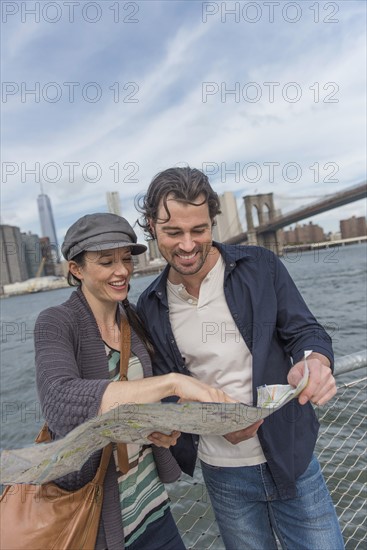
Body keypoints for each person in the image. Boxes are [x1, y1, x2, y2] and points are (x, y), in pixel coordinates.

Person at [136, 167, 345, 550]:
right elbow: (167, 390)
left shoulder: (262, 266)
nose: (187, 245)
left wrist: (314, 361)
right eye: (173, 232)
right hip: (223, 475)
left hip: (292, 457)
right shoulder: (149, 305)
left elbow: (307, 333)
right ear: (151, 227)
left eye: (198, 230)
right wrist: (212, 424)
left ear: (212, 223)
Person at [34, 212, 234, 550]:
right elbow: (60, 403)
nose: (123, 270)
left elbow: (144, 400)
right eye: (107, 261)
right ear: (76, 269)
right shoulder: (55, 322)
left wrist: (166, 426)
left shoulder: (134, 318)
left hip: (152, 505)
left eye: (126, 258)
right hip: (94, 519)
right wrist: (172, 383)